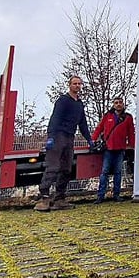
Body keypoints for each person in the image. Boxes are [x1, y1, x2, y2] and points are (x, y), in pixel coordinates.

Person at [35, 75, 92, 212]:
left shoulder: (79, 104)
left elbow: (82, 123)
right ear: (69, 85)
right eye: (74, 83)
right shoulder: (63, 101)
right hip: (58, 136)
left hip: (70, 137)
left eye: (79, 84)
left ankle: (59, 199)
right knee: (53, 167)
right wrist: (51, 137)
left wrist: (89, 139)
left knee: (66, 168)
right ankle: (44, 198)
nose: (77, 86)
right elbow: (55, 118)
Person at [92, 97, 135, 204]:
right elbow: (99, 128)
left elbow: (131, 133)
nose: (118, 104)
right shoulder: (108, 116)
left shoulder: (128, 117)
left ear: (123, 104)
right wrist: (92, 139)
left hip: (120, 148)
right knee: (104, 172)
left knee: (118, 172)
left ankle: (116, 195)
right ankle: (100, 196)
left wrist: (133, 145)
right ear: (113, 104)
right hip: (109, 148)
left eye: (120, 102)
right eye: (116, 103)